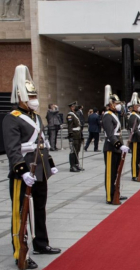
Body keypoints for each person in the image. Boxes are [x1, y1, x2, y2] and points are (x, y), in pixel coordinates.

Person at [3, 65, 61, 269]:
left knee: (39, 210)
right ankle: (21, 252)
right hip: (24, 173)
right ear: (20, 97)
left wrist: (50, 165)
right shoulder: (12, 118)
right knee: (21, 213)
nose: (34, 99)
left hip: (40, 172)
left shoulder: (36, 117)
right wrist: (22, 171)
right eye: (30, 96)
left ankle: (41, 243)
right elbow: (12, 150)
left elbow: (41, 143)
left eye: (35, 95)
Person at [67, 101, 83, 172]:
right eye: (74, 106)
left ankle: (76, 164)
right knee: (73, 151)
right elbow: (70, 126)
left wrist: (81, 135)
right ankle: (72, 166)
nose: (76, 107)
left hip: (78, 135)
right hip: (74, 135)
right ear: (72, 107)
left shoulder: (75, 114)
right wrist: (70, 135)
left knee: (77, 150)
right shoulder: (70, 115)